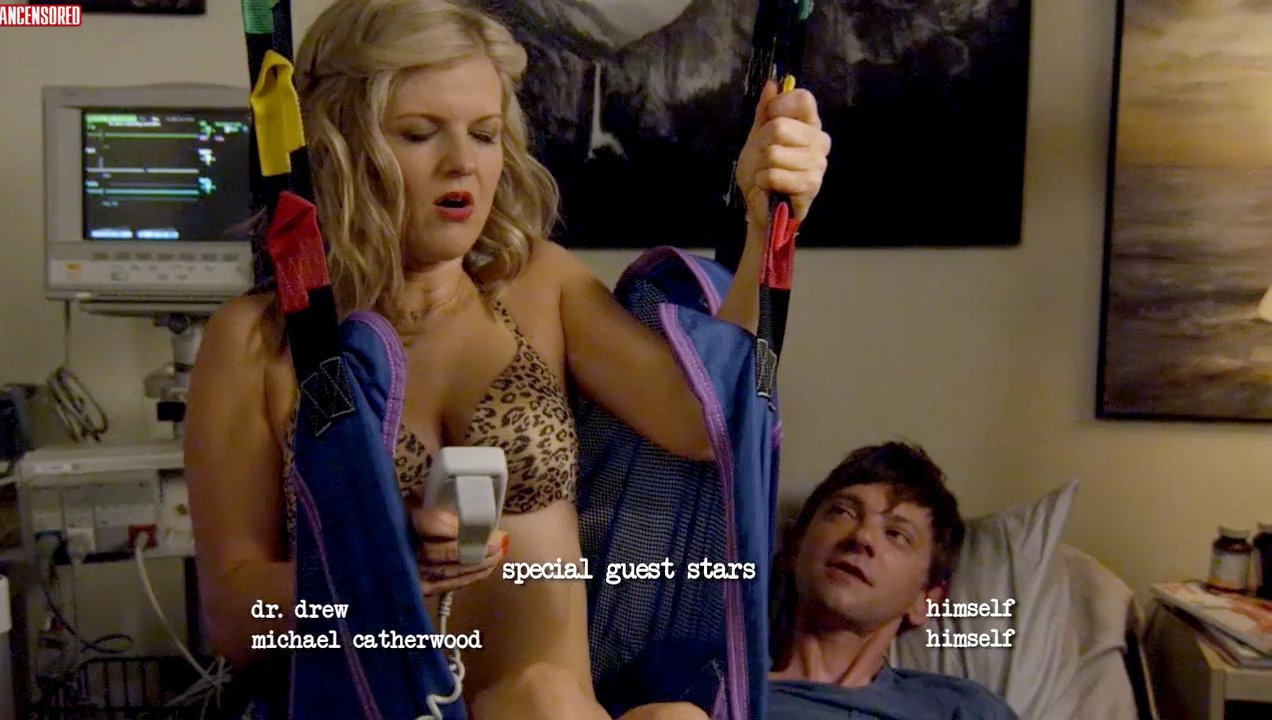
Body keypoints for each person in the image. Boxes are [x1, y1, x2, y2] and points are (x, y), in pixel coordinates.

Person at [182, 0, 830, 718]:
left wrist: (765, 221)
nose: (463, 162)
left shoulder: (538, 286)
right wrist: (374, 574)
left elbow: (711, 421)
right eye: (420, 132)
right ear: (339, 145)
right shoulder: (259, 342)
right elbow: (235, 621)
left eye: (484, 134)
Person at [767, 442, 1018, 719]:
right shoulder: (733, 691)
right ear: (794, 548)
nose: (862, 537)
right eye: (843, 512)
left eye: (896, 534)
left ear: (925, 601)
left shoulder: (965, 708)